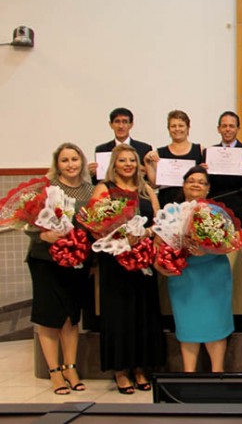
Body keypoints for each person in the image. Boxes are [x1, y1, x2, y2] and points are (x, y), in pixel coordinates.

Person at [93, 144, 165, 394]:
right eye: (122, 160)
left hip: (143, 262)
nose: (128, 165)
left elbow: (159, 222)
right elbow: (96, 225)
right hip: (115, 263)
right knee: (119, 315)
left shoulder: (146, 189)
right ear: (114, 164)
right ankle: (120, 370)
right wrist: (122, 238)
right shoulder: (104, 189)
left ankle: (140, 368)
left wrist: (145, 234)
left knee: (142, 314)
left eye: (132, 161)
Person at [25, 143, 95, 395]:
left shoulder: (90, 191)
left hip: (76, 262)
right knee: (48, 317)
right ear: (57, 164)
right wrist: (43, 236)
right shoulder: (45, 189)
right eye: (65, 160)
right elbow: (26, 222)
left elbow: (94, 228)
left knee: (70, 317)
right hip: (45, 261)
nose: (70, 164)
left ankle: (71, 367)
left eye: (74, 159)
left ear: (81, 161)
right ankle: (54, 371)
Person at [154, 166, 234, 373]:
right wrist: (160, 265)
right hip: (184, 276)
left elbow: (231, 242)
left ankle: (218, 375)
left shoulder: (217, 212)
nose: (196, 184)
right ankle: (189, 377)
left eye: (201, 181)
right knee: (187, 325)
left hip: (214, 275)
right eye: (191, 180)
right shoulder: (172, 212)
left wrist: (208, 249)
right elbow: (158, 242)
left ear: (208, 189)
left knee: (216, 325)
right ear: (183, 185)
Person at [205, 111, 242, 225]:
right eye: (224, 126)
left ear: (238, 129)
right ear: (218, 129)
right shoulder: (209, 152)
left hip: (241, 206)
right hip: (215, 205)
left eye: (231, 126)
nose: (228, 129)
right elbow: (205, 183)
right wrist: (203, 172)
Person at [144, 110, 203, 207]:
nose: (177, 129)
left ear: (188, 128)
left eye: (181, 125)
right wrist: (147, 162)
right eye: (173, 126)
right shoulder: (160, 152)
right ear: (168, 129)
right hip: (167, 203)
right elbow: (155, 184)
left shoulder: (199, 150)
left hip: (193, 203)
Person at [89, 107, 152, 184]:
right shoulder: (101, 149)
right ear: (111, 124)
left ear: (131, 125)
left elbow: (150, 181)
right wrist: (92, 174)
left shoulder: (144, 148)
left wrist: (145, 171)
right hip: (110, 192)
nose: (121, 126)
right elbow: (98, 182)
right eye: (117, 122)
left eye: (125, 122)